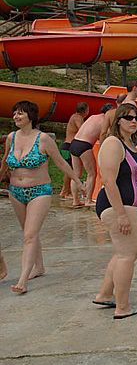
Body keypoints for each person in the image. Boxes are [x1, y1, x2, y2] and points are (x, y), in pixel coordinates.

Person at [1, 101, 85, 294]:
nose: (15, 117)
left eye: (20, 113)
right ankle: (39, 267)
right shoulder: (11, 137)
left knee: (29, 235)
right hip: (15, 191)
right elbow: (5, 162)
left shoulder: (43, 139)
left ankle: (23, 280)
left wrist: (77, 182)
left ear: (31, 116)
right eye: (14, 113)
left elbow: (61, 163)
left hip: (39, 191)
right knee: (28, 232)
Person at [93, 103, 137, 319]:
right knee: (127, 255)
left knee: (124, 252)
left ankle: (105, 294)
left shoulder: (129, 144)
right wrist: (122, 214)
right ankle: (122, 307)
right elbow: (108, 181)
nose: (133, 121)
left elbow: (134, 178)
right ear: (118, 121)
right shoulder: (113, 143)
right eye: (128, 118)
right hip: (116, 206)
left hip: (128, 206)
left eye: (136, 118)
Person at [69, 104, 114, 207]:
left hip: (74, 142)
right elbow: (104, 134)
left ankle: (75, 200)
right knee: (92, 173)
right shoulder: (105, 120)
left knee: (76, 174)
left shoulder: (93, 116)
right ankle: (88, 200)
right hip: (84, 145)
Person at [59, 102, 89, 199]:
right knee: (69, 170)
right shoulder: (77, 118)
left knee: (69, 170)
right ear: (85, 111)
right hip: (68, 147)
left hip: (66, 146)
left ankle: (65, 191)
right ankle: (65, 192)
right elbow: (82, 129)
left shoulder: (74, 116)